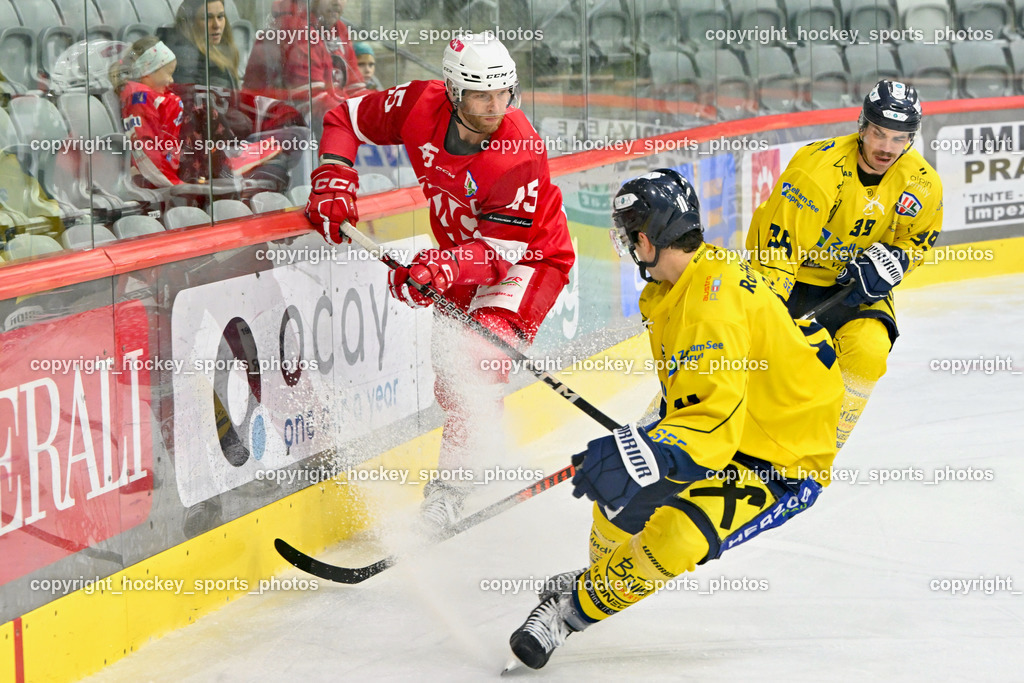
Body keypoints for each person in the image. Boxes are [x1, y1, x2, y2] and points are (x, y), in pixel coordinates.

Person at [507, 169, 844, 669]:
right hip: (736, 422)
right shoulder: (687, 281)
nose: (627, 244)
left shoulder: (709, 308)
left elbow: (714, 415)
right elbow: (704, 391)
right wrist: (653, 438)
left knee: (677, 537)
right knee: (619, 501)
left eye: (629, 234)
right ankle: (598, 579)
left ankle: (571, 610)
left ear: (646, 239)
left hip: (781, 458)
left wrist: (657, 452)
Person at [305, 33, 575, 533]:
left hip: (529, 259)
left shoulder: (518, 149)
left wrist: (441, 267)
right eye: (481, 95)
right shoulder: (417, 105)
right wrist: (335, 174)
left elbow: (499, 254)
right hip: (460, 257)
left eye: (504, 93)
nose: (495, 107)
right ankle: (481, 454)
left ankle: (450, 490)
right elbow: (344, 117)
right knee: (452, 379)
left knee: (475, 358)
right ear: (452, 91)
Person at [745, 80, 943, 449]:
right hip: (793, 277)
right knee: (753, 358)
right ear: (862, 127)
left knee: (869, 349)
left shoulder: (922, 183)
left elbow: (917, 240)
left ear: (911, 139)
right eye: (879, 133)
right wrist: (769, 317)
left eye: (899, 138)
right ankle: (685, 421)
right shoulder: (817, 170)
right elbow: (778, 253)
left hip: (854, 286)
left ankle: (822, 447)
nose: (887, 148)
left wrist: (897, 261)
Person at [243, 0, 366, 128]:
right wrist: (357, 121)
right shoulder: (295, 28)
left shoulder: (338, 29)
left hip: (317, 121)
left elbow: (355, 88)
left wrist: (376, 110)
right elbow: (312, 101)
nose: (336, 2)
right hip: (276, 126)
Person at [111, 37, 184, 187]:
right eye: (168, 73)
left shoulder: (150, 96)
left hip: (164, 176)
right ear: (147, 72)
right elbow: (145, 152)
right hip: (153, 182)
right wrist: (174, 185)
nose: (171, 80)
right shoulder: (139, 100)